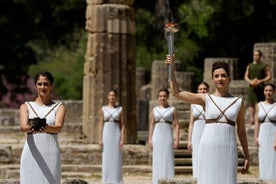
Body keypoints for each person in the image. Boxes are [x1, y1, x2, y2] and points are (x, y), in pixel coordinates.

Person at [166, 56, 250, 184]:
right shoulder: (206, 99)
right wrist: (171, 69)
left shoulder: (238, 102)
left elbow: (242, 131)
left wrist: (247, 155)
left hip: (228, 148)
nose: (220, 79)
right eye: (216, 76)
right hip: (208, 147)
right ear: (212, 79)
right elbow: (177, 93)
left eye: (223, 75)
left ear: (229, 78)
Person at [19, 71, 66, 184]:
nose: (43, 87)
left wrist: (45, 128)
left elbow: (58, 127)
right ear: (35, 86)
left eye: (46, 84)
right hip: (31, 153)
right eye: (39, 84)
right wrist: (33, 127)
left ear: (51, 86)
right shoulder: (26, 106)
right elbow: (23, 127)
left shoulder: (59, 107)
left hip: (51, 152)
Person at [148, 88, 180, 184]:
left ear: (168, 97)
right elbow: (151, 124)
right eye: (160, 96)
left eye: (164, 96)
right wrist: (150, 139)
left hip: (168, 136)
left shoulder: (172, 109)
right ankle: (156, 180)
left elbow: (177, 124)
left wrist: (176, 139)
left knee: (168, 158)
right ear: (158, 98)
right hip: (157, 136)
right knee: (157, 159)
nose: (162, 98)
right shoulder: (155, 110)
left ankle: (169, 180)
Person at [99, 90, 125, 184]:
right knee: (106, 156)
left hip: (116, 134)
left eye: (113, 95)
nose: (112, 97)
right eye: (110, 95)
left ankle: (116, 180)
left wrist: (122, 139)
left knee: (116, 157)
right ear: (107, 97)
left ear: (116, 97)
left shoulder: (120, 109)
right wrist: (100, 139)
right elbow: (101, 125)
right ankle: (106, 180)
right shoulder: (103, 109)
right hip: (106, 134)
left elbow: (123, 125)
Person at [187, 82, 209, 178]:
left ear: (208, 90)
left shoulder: (211, 104)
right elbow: (191, 123)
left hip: (207, 131)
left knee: (207, 155)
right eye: (200, 89)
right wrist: (189, 140)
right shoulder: (193, 105)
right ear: (197, 91)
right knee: (196, 155)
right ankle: (197, 177)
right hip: (196, 132)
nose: (202, 91)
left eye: (204, 89)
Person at [254, 83, 276, 180]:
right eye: (266, 90)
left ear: (274, 92)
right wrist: (256, 137)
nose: (268, 92)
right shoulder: (259, 105)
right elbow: (257, 122)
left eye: (270, 90)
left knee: (273, 157)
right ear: (263, 92)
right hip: (262, 133)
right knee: (263, 156)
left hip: (273, 133)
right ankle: (263, 178)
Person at [244, 50, 272, 125]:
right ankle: (251, 119)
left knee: (259, 104)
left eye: (257, 55)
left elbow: (269, 76)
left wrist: (260, 81)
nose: (255, 56)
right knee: (251, 103)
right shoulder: (250, 65)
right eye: (254, 55)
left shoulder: (264, 65)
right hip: (252, 87)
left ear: (260, 56)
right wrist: (250, 81)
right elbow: (246, 76)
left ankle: (258, 118)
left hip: (261, 87)